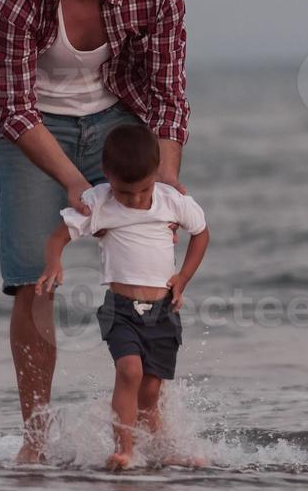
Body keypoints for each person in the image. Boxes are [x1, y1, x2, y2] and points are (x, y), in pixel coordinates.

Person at [0, 0, 191, 463]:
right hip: (36, 126)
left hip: (117, 116)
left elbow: (169, 93)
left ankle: (151, 427)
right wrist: (75, 183)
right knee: (33, 281)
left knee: (150, 276)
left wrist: (168, 182)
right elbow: (15, 106)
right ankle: (36, 440)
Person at [37, 125, 209, 471]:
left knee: (150, 394)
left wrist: (183, 278)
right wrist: (54, 263)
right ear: (107, 174)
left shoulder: (171, 201)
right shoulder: (99, 202)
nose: (133, 200)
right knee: (129, 371)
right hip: (121, 309)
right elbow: (57, 238)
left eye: (143, 190)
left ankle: (161, 450)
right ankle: (124, 449)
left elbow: (201, 233)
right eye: (124, 192)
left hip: (163, 311)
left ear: (156, 173)